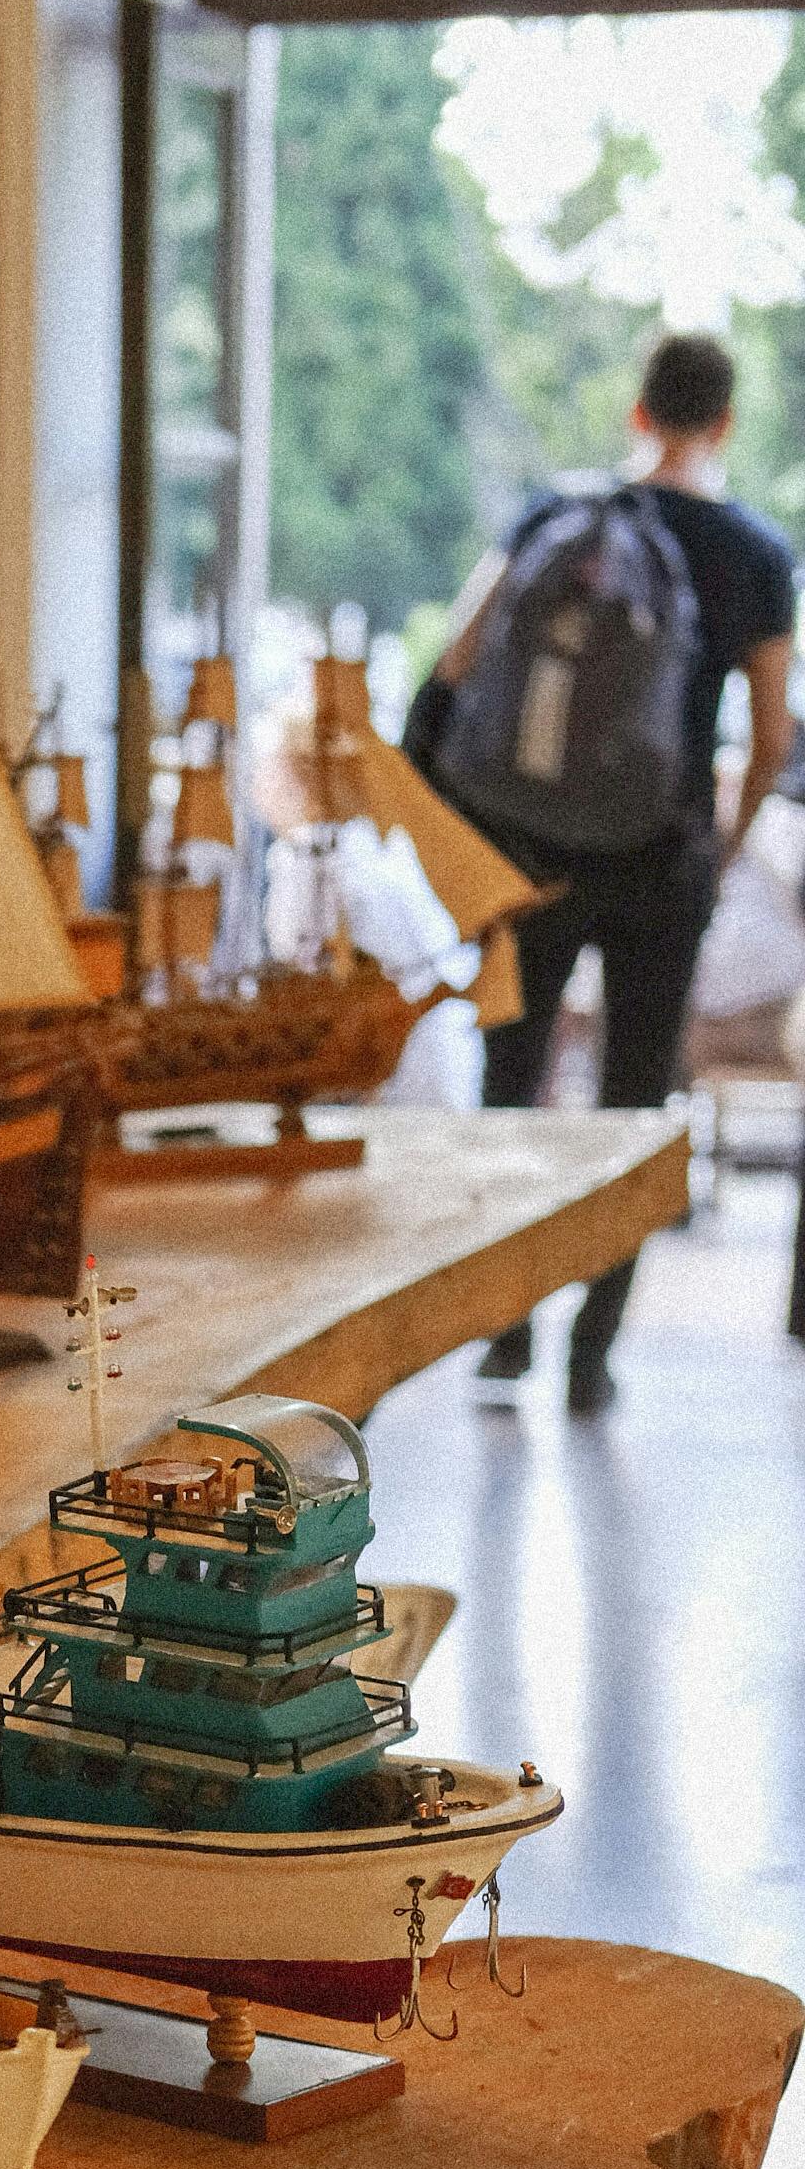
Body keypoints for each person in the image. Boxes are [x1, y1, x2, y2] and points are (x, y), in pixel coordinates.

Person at [432, 331, 795, 1416]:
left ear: (637, 414)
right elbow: (771, 739)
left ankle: (505, 1336)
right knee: (634, 1107)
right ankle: (594, 1350)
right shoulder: (752, 555)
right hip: (661, 863)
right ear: (723, 423)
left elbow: (458, 659)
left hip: (529, 849)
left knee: (515, 1088)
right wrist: (717, 853)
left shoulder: (555, 517)